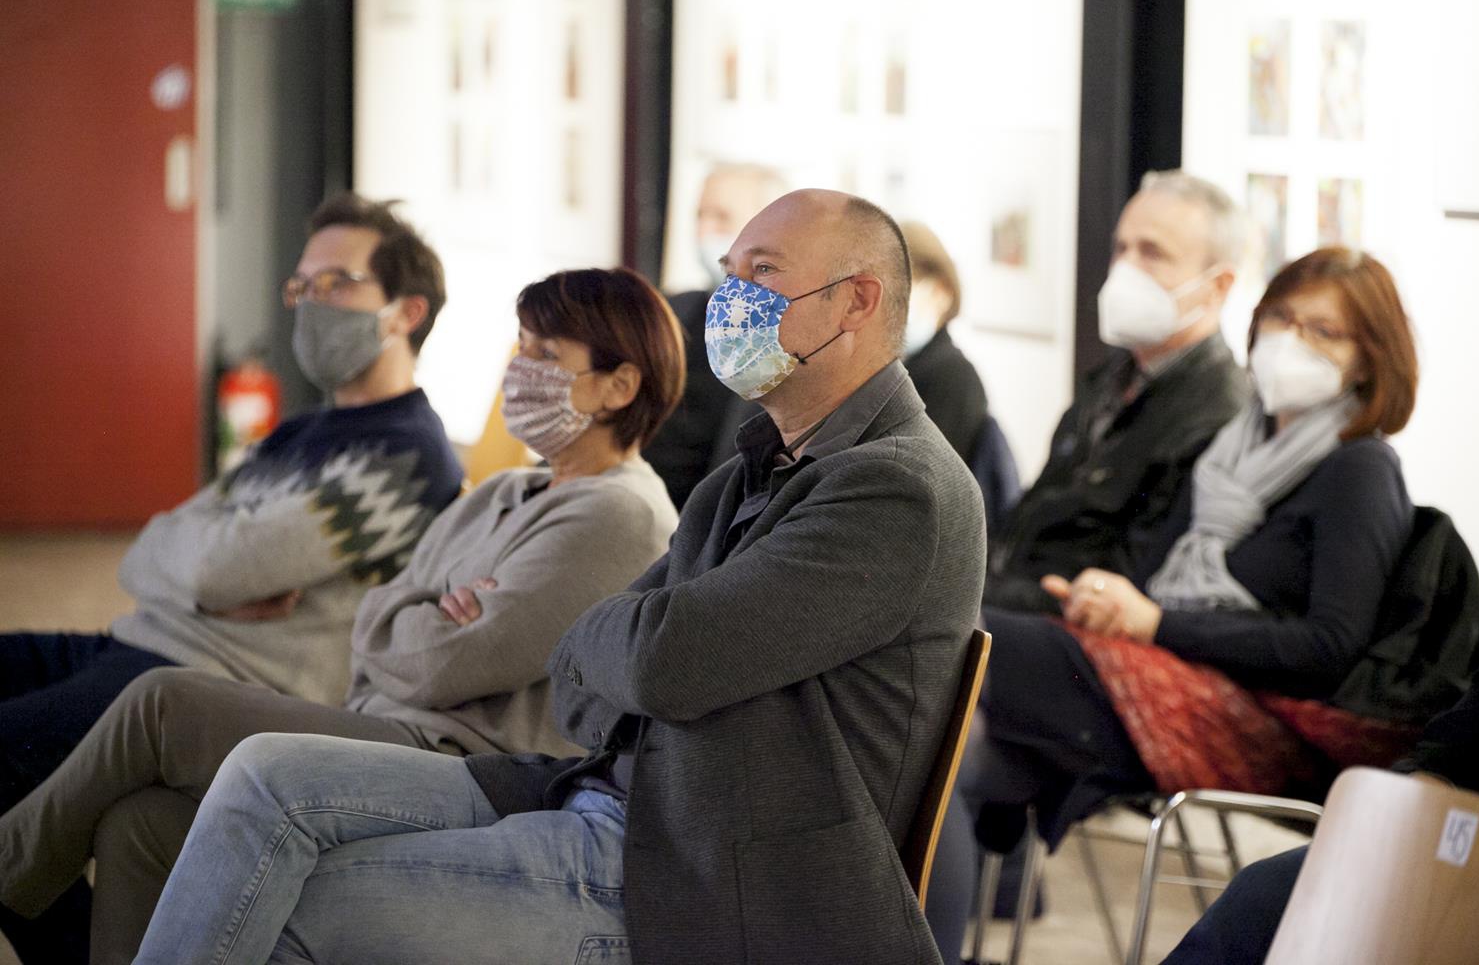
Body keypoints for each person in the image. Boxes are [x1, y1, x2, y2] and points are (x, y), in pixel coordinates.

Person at [129, 189, 987, 965]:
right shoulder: (745, 476)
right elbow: (582, 679)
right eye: (730, 274)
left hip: (695, 878)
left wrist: (636, 649)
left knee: (291, 905)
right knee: (264, 775)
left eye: (762, 273)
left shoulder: (897, 488)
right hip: (601, 798)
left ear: (858, 300)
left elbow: (664, 661)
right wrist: (635, 650)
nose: (731, 298)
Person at [0, 268, 685, 965]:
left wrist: (412, 612)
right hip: (381, 720)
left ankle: (10, 859)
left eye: (546, 354)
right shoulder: (506, 489)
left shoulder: (619, 514)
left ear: (619, 386)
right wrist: (421, 609)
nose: (520, 368)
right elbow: (381, 615)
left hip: (461, 758)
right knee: (139, 823)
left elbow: (442, 663)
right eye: (521, 345)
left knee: (162, 704)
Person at [0, 192, 463, 960]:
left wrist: (205, 568)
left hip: (199, 675)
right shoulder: (297, 432)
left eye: (336, 283)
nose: (310, 302)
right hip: (133, 642)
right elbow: (151, 551)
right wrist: (203, 576)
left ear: (406, 312)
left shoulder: (408, 457)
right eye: (301, 284)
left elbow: (216, 562)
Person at [947, 247, 1420, 928]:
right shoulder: (1230, 450)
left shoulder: (1361, 470)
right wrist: (1104, 598)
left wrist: (1155, 625)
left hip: (1257, 722)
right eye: (1282, 317)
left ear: (1371, 359)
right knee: (950, 754)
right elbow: (1148, 582)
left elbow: (1329, 647)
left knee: (968, 637)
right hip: (1156, 679)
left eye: (1324, 331)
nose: (1292, 340)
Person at [984, 170, 1248, 617]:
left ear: (1217, 286)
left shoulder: (1218, 411)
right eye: (1121, 249)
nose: (1126, 269)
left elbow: (1135, 575)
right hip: (1012, 599)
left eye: (1152, 253)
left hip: (1063, 624)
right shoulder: (1112, 379)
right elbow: (1036, 509)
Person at [1162, 640, 1479, 964]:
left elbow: (1328, 645)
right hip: (1460, 838)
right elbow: (1452, 745)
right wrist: (1412, 812)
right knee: (1264, 892)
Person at [643, 161, 788, 508]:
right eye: (700, 216)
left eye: (721, 217)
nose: (704, 231)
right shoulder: (672, 311)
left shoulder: (788, 333)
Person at [898, 220, 990, 467]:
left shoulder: (953, 376)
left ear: (941, 292)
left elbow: (923, 473)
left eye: (902, 290)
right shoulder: (906, 368)